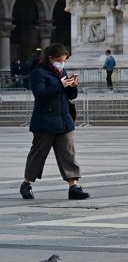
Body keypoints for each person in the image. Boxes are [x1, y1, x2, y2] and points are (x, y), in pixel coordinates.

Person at [19, 43, 90, 200]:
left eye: (64, 60)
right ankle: (26, 183)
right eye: (59, 60)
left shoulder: (62, 71)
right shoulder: (38, 73)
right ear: (50, 58)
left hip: (64, 119)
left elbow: (70, 96)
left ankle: (73, 186)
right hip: (45, 121)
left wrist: (72, 86)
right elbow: (40, 94)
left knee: (68, 153)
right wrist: (60, 84)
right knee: (38, 155)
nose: (62, 63)